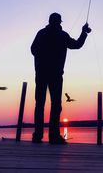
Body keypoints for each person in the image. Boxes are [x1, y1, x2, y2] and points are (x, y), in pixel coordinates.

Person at [31, 13, 91, 144]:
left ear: (49, 21)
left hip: (41, 74)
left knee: (40, 104)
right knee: (55, 105)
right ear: (59, 22)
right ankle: (54, 136)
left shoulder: (41, 33)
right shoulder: (62, 35)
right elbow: (77, 45)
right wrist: (84, 32)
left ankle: (37, 136)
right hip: (55, 75)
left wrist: (42, 58)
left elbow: (33, 50)